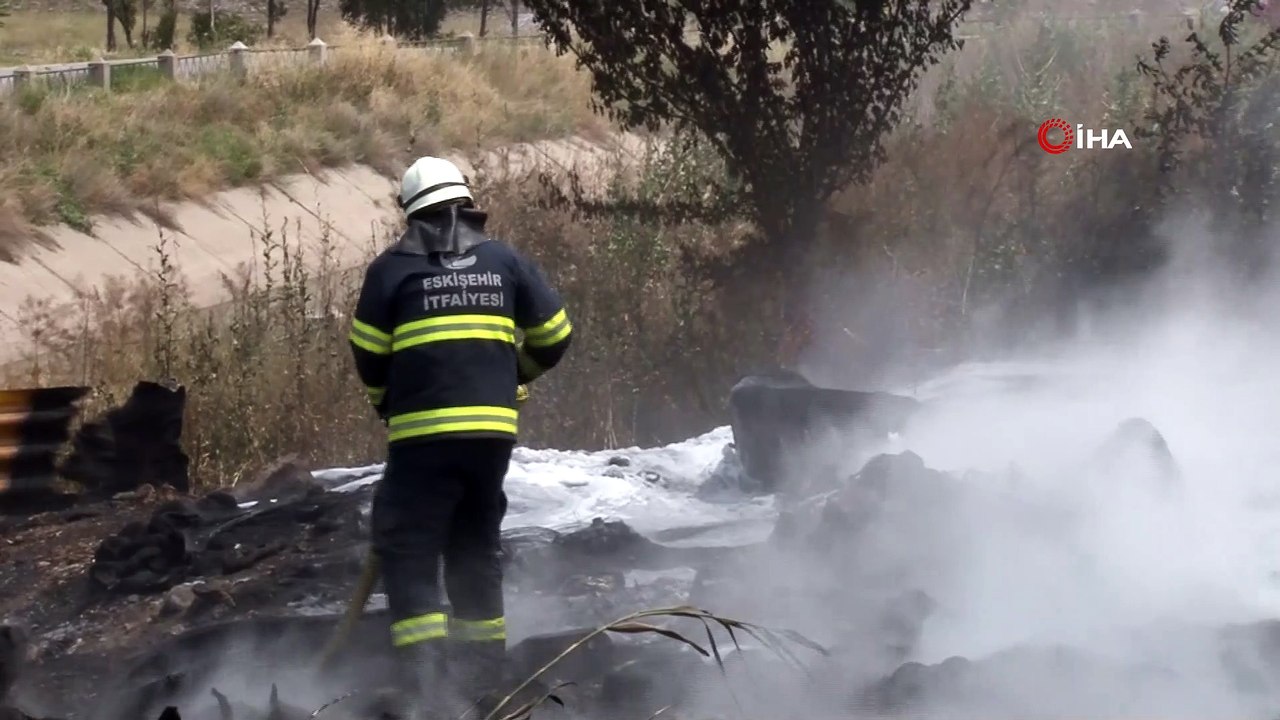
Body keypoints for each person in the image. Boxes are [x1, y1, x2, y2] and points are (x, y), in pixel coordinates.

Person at [347, 156, 573, 717]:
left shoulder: (390, 272)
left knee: (410, 550)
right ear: (467, 207)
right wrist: (509, 375)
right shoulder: (504, 261)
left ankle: (426, 694)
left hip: (422, 440)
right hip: (492, 439)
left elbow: (370, 359)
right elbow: (556, 335)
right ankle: (485, 686)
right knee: (475, 548)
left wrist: (388, 408)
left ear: (410, 215)